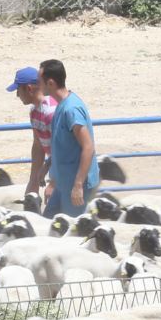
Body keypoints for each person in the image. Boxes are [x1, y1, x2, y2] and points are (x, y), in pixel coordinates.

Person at [38, 59, 98, 217]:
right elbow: (63, 145)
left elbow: (88, 146)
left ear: (50, 83)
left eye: (40, 81)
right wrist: (47, 166)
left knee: (72, 236)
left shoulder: (71, 109)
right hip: (63, 184)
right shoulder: (61, 105)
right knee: (48, 226)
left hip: (76, 187)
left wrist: (78, 186)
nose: (38, 85)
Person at [6, 66, 57, 199]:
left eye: (18, 90)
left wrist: (53, 183)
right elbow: (38, 145)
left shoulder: (52, 111)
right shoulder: (34, 111)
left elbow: (65, 148)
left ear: (29, 89)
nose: (17, 95)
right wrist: (33, 181)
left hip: (71, 172)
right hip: (59, 168)